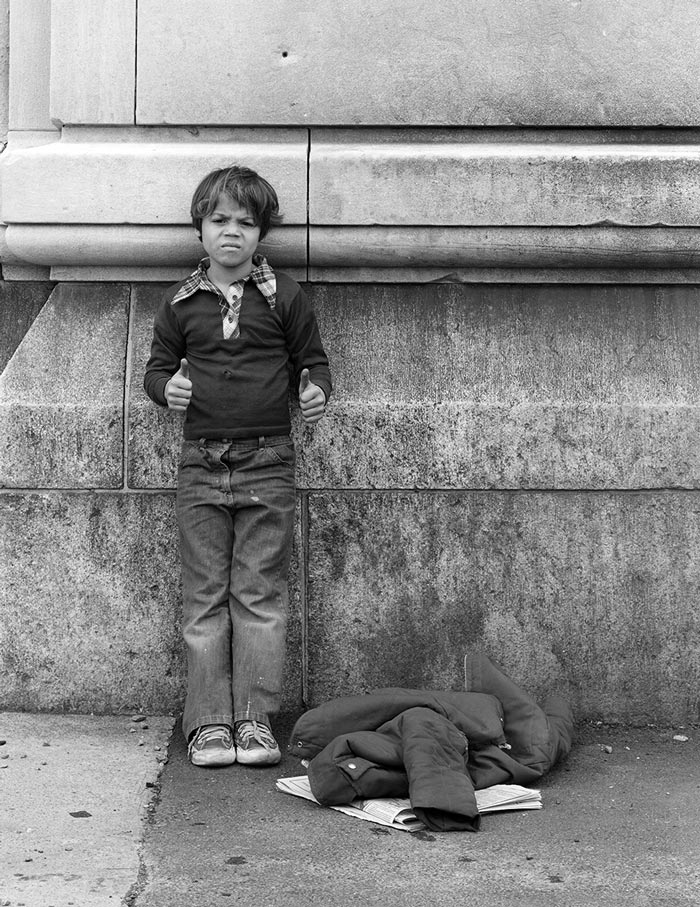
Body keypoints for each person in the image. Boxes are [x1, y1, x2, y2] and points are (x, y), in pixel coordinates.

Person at [144, 165, 332, 768]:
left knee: (259, 593)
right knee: (204, 595)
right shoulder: (180, 304)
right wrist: (164, 389)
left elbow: (315, 360)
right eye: (219, 220)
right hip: (200, 464)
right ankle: (207, 723)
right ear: (200, 230)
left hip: (268, 461)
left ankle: (253, 720)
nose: (232, 233)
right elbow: (157, 368)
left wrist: (315, 389)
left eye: (245, 223)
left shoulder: (285, 298)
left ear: (261, 235)